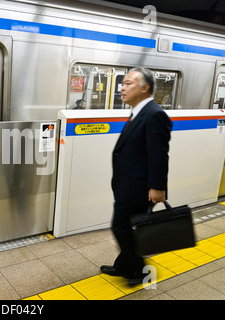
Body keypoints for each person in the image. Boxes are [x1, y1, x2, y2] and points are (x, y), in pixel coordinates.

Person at [100, 67, 172, 286]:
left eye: (128, 83)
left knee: (120, 227)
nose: (122, 87)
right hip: (129, 184)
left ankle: (139, 270)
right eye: (123, 83)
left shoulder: (154, 114)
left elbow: (159, 154)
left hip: (137, 187)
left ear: (144, 88)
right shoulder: (139, 112)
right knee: (131, 227)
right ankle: (124, 265)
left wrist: (157, 187)